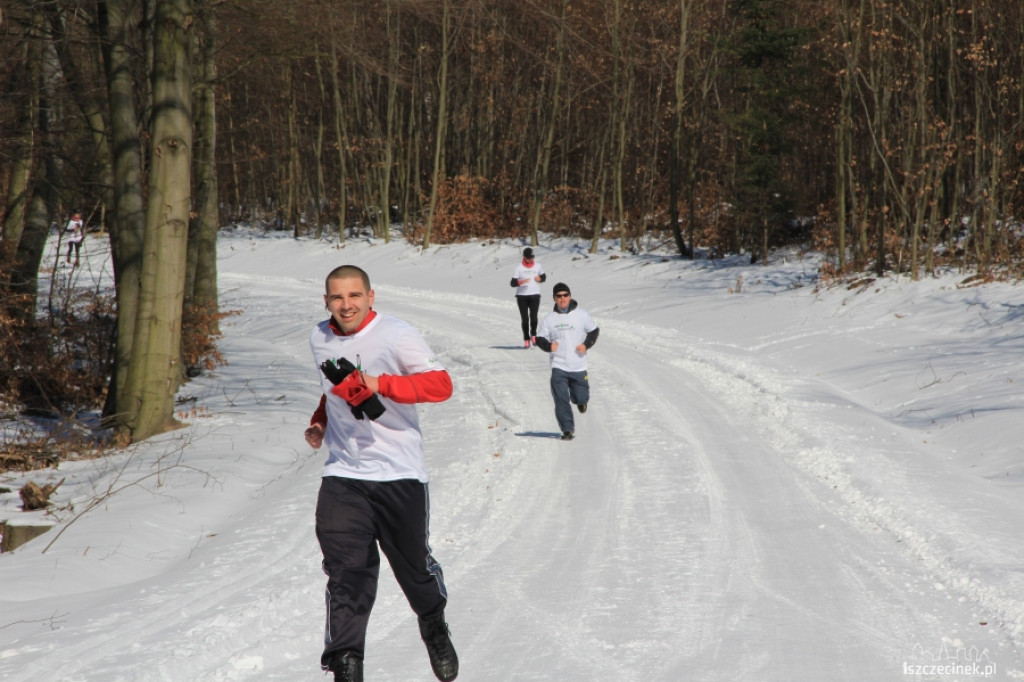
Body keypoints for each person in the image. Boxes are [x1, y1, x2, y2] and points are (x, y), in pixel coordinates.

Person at [304, 264, 459, 682]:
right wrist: (320, 421)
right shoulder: (319, 336)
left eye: (354, 296)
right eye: (337, 297)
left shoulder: (396, 333)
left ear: (371, 297)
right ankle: (346, 664)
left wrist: (380, 384)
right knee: (346, 573)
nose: (346, 304)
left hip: (399, 473)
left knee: (415, 571)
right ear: (326, 302)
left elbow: (441, 385)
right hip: (343, 474)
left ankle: (433, 623)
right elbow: (330, 390)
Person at [534, 282, 599, 441]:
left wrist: (586, 345)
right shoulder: (550, 318)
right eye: (559, 296)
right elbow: (540, 338)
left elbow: (593, 331)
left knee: (581, 396)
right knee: (561, 399)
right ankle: (567, 430)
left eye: (565, 295)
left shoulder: (581, 314)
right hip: (559, 366)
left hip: (578, 365)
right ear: (554, 299)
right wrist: (549, 346)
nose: (562, 299)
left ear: (570, 296)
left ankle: (581, 401)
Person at [509, 246, 546, 348]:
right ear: (524, 257)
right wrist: (520, 282)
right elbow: (512, 283)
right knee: (525, 319)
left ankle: (533, 335)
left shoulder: (538, 266)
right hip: (522, 297)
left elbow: (543, 277)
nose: (530, 260)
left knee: (534, 317)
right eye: (528, 258)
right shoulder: (519, 267)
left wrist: (540, 278)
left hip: (535, 295)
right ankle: (526, 339)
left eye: (531, 258)